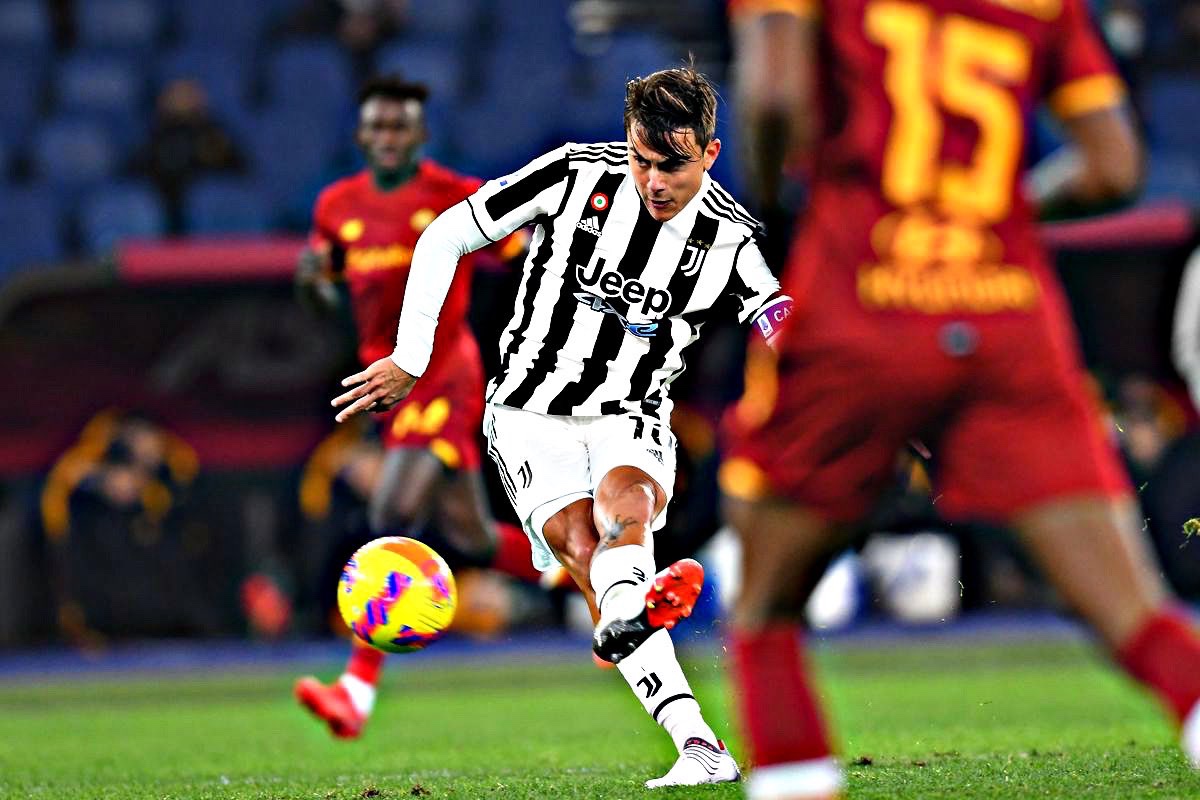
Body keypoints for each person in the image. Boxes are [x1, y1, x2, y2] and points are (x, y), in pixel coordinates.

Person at [722, 1, 1200, 797]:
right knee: (1135, 617)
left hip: (858, 295)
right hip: (1004, 307)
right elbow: (1115, 167)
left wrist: (775, 209)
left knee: (767, 609)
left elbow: (774, 100)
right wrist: (1001, 216)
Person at [331, 63, 793, 788]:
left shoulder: (730, 240)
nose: (653, 182)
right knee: (582, 546)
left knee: (624, 507)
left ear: (709, 152)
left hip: (630, 413)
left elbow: (781, 326)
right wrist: (411, 358)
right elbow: (446, 234)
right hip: (526, 416)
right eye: (641, 160)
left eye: (672, 166)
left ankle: (627, 615)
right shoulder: (572, 174)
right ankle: (692, 733)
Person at [293, 75, 535, 740]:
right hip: (389, 383)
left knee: (392, 511)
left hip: (444, 371)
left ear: (421, 134)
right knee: (473, 538)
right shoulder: (336, 205)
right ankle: (614, 589)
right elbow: (326, 283)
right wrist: (311, 282)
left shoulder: (455, 196)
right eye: (378, 126)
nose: (388, 137)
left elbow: (523, 253)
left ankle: (355, 691)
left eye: (400, 126)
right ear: (360, 134)